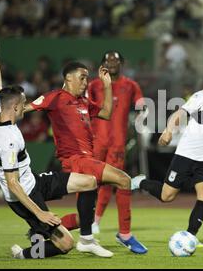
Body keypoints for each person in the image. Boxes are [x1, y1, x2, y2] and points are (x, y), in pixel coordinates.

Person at [0, 27, 97, 259]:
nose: (26, 106)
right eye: (23, 103)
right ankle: (23, 254)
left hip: (33, 180)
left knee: (90, 182)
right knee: (66, 244)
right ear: (14, 108)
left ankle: (82, 233)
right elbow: (12, 184)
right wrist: (39, 214)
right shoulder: (9, 140)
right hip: (23, 196)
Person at [25, 59, 138, 257]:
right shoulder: (55, 97)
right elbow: (24, 109)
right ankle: (110, 236)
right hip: (75, 159)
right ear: (68, 78)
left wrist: (107, 86)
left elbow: (106, 112)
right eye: (82, 78)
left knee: (84, 214)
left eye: (87, 78)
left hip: (88, 158)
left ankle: (42, 230)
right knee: (124, 179)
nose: (86, 82)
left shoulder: (83, 102)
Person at [131, 60, 203, 245]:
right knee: (166, 196)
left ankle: (190, 236)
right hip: (186, 155)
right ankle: (141, 182)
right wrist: (169, 130)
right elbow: (179, 114)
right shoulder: (201, 96)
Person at [60, 51, 147, 254]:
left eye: (115, 60)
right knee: (88, 184)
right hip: (94, 144)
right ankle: (84, 225)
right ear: (103, 64)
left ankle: (118, 231)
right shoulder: (94, 85)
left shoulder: (130, 85)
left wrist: (144, 115)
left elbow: (143, 105)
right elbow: (78, 103)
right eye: (108, 60)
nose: (112, 63)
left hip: (117, 144)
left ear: (122, 64)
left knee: (119, 183)